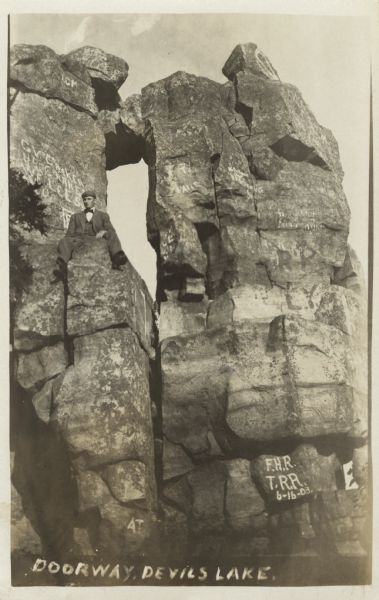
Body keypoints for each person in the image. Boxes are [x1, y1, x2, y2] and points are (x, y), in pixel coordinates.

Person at [54, 190, 127, 278]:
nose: (86, 201)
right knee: (65, 240)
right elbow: (69, 234)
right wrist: (69, 241)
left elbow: (111, 229)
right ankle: (62, 265)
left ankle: (117, 257)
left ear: (94, 200)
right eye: (85, 199)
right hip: (79, 239)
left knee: (111, 233)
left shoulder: (103, 215)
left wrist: (104, 232)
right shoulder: (75, 216)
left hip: (95, 237)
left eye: (89, 199)